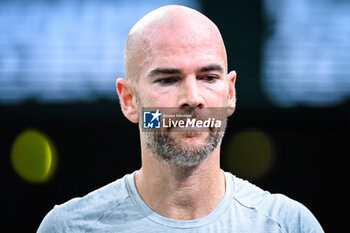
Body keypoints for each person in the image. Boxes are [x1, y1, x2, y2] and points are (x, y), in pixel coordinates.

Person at [37, 5, 324, 232]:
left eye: (209, 77)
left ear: (230, 94)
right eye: (168, 79)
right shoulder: (69, 227)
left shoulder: (289, 226)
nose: (193, 97)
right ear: (129, 100)